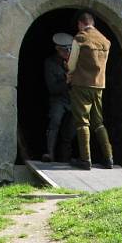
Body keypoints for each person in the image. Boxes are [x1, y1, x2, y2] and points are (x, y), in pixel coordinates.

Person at [68, 10, 114, 170]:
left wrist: (69, 72)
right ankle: (109, 158)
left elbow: (71, 64)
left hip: (81, 84)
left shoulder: (80, 38)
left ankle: (85, 159)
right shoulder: (105, 41)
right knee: (99, 122)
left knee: (82, 121)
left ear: (81, 24)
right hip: (99, 85)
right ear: (92, 23)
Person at [42, 33, 76, 163]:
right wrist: (66, 81)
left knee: (70, 131)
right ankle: (50, 154)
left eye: (69, 49)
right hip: (59, 99)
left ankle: (65, 159)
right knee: (54, 123)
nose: (67, 53)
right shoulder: (50, 63)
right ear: (57, 49)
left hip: (73, 99)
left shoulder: (76, 62)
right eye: (64, 50)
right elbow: (52, 88)